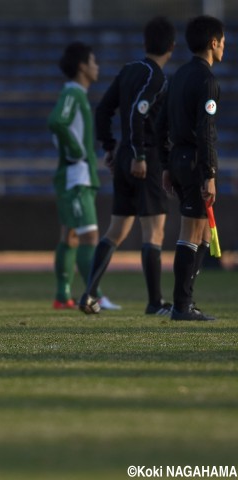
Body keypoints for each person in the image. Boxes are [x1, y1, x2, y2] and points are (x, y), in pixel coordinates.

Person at [79, 17, 176, 315]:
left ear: (145, 44)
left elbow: (104, 108)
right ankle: (154, 302)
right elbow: (137, 113)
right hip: (143, 159)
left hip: (124, 156)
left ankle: (89, 293)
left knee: (117, 229)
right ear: (171, 47)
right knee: (154, 232)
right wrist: (139, 156)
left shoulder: (128, 70)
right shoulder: (156, 77)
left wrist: (110, 147)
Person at [159, 15, 224, 321]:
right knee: (191, 232)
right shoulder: (207, 80)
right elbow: (206, 129)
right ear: (213, 43)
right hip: (196, 162)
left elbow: (161, 124)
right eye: (223, 41)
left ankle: (186, 301)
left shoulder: (178, 75)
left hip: (179, 159)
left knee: (203, 237)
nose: (225, 46)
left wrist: (165, 165)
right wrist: (209, 173)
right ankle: (181, 306)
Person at [47, 41, 120, 311]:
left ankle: (62, 295)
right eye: (93, 62)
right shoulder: (74, 94)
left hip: (75, 175)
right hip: (77, 178)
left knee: (69, 237)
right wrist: (77, 151)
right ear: (82, 67)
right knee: (90, 238)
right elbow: (57, 121)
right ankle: (95, 295)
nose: (96, 67)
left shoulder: (77, 95)